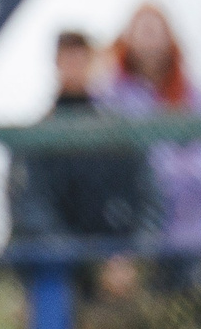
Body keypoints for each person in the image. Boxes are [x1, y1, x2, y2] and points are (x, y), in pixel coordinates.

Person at [13, 30, 161, 299]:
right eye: (67, 58)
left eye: (80, 58)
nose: (74, 67)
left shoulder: (117, 133)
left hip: (122, 277)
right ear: (55, 63)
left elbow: (149, 199)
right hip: (59, 280)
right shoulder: (36, 137)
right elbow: (31, 210)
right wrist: (90, 263)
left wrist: (129, 256)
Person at [103, 4, 201, 293]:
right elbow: (120, 166)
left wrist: (166, 169)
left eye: (155, 33)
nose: (149, 42)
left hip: (191, 231)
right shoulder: (111, 96)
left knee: (189, 305)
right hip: (133, 236)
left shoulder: (194, 95)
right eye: (142, 33)